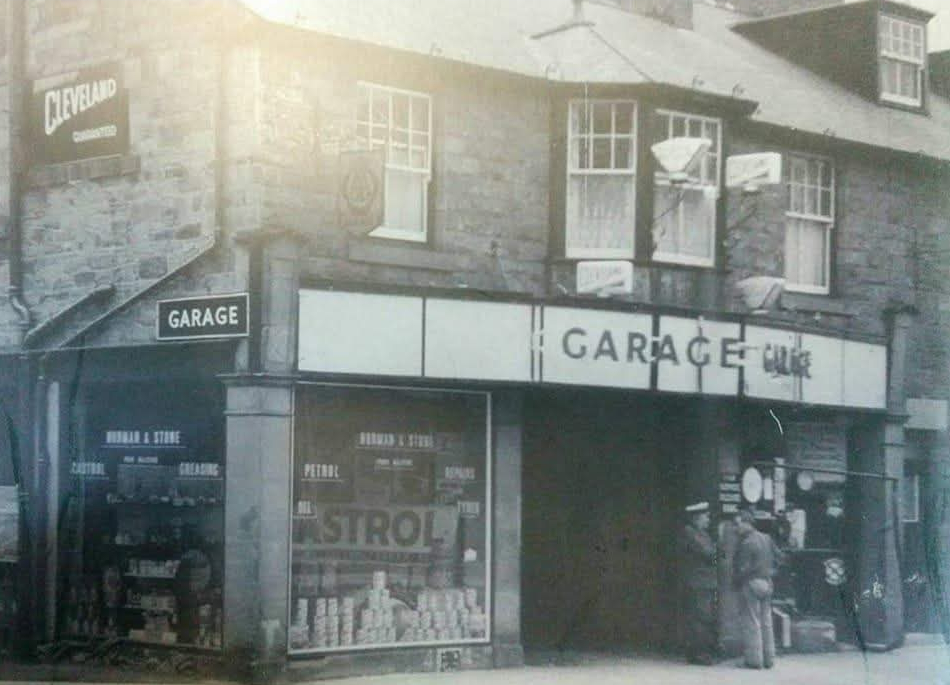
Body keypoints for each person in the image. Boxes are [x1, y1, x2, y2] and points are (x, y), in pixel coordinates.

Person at [732, 509, 781, 669]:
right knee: (767, 621)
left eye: (738, 524)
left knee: (752, 621)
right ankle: (769, 659)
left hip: (751, 583)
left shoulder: (746, 543)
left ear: (747, 523)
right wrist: (771, 571)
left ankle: (754, 660)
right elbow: (780, 557)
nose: (736, 527)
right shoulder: (766, 538)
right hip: (767, 582)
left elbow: (743, 569)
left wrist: (736, 581)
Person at [680, 501, 718, 665]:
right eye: (705, 517)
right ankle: (699, 654)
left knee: (703, 617)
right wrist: (717, 550)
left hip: (705, 582)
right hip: (698, 582)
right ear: (696, 518)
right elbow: (709, 553)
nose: (708, 520)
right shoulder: (691, 533)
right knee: (701, 617)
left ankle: (697, 652)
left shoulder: (703, 534)